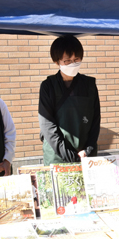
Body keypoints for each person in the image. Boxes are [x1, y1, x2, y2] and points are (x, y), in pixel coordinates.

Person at [38, 35, 100, 166]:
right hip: (57, 157)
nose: (73, 64)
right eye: (67, 61)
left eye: (76, 59)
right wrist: (70, 155)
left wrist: (88, 150)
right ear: (57, 62)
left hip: (85, 155)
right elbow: (47, 126)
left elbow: (95, 120)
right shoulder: (48, 86)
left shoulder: (89, 85)